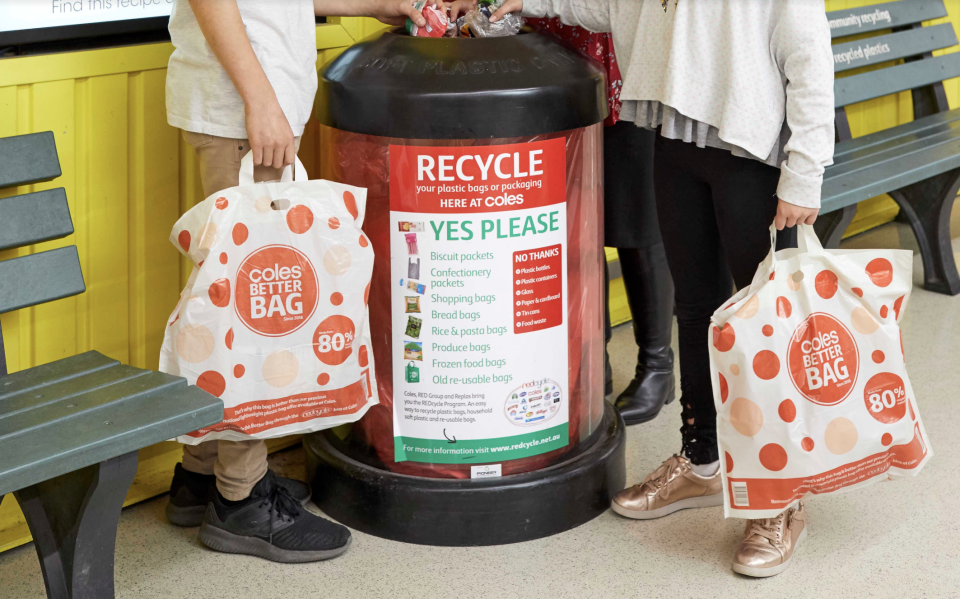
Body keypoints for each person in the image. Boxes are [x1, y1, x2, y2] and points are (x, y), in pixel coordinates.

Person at [453, 0, 834, 577]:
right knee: (696, 306)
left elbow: (809, 57)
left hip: (753, 150)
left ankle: (781, 496)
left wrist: (805, 173)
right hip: (674, 138)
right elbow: (603, 5)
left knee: (766, 322)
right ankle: (702, 459)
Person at [164, 0, 440, 563]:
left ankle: (198, 478)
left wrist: (374, 4)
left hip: (243, 112)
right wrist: (261, 102)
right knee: (255, 316)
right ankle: (239, 502)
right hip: (241, 115)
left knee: (235, 301)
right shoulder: (249, 108)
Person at [523, 17, 676, 426]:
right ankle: (593, 362)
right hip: (555, 64)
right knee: (573, 227)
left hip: (626, 64)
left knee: (636, 217)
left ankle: (658, 367)